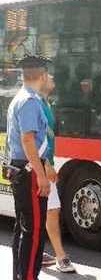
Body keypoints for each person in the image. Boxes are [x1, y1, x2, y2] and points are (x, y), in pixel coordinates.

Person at [6, 56, 52, 280]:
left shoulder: (19, 98)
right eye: (48, 74)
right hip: (29, 171)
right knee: (33, 232)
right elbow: (28, 140)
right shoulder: (30, 102)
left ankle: (20, 276)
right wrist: (41, 175)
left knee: (22, 228)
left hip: (21, 168)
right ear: (42, 76)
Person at [39, 75, 76, 273]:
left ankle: (38, 252)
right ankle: (60, 257)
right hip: (39, 166)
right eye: (48, 75)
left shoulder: (47, 102)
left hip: (45, 164)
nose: (53, 77)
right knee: (51, 210)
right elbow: (33, 138)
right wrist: (46, 165)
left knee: (48, 210)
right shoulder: (36, 103)